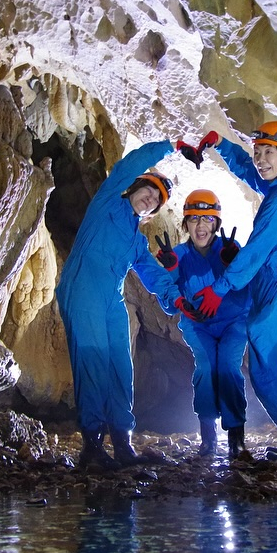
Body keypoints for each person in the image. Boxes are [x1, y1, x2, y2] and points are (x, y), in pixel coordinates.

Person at [183, 122, 277, 459]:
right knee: (264, 362)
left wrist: (220, 288)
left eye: (268, 153)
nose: (260, 160)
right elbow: (249, 172)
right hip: (271, 286)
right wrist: (222, 145)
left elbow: (256, 251)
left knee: (266, 365)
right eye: (258, 152)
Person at [54, 140, 182, 469]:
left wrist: (176, 299)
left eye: (156, 202)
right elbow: (129, 164)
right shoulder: (108, 201)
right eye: (149, 192)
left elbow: (153, 273)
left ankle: (123, 443)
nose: (150, 199)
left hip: (112, 297)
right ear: (134, 188)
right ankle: (92, 446)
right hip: (82, 288)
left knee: (121, 368)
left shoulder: (136, 240)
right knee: (93, 363)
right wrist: (169, 146)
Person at [156, 189, 251, 459]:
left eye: (208, 219)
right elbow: (167, 303)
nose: (201, 225)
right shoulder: (177, 256)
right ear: (185, 224)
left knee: (229, 368)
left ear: (216, 224)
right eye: (194, 218)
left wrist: (236, 263)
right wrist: (172, 272)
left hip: (233, 321)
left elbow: (248, 287)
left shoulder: (229, 250)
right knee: (208, 368)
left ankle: (236, 439)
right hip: (198, 324)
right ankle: (208, 439)